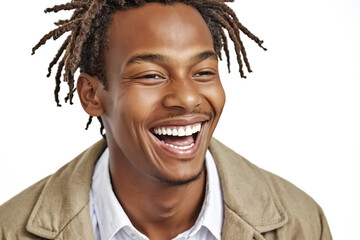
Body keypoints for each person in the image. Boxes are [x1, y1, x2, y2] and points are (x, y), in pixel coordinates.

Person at [0, 0, 332, 239]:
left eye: (203, 72)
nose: (187, 98)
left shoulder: (300, 226)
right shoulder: (9, 230)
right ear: (91, 95)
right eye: (151, 75)